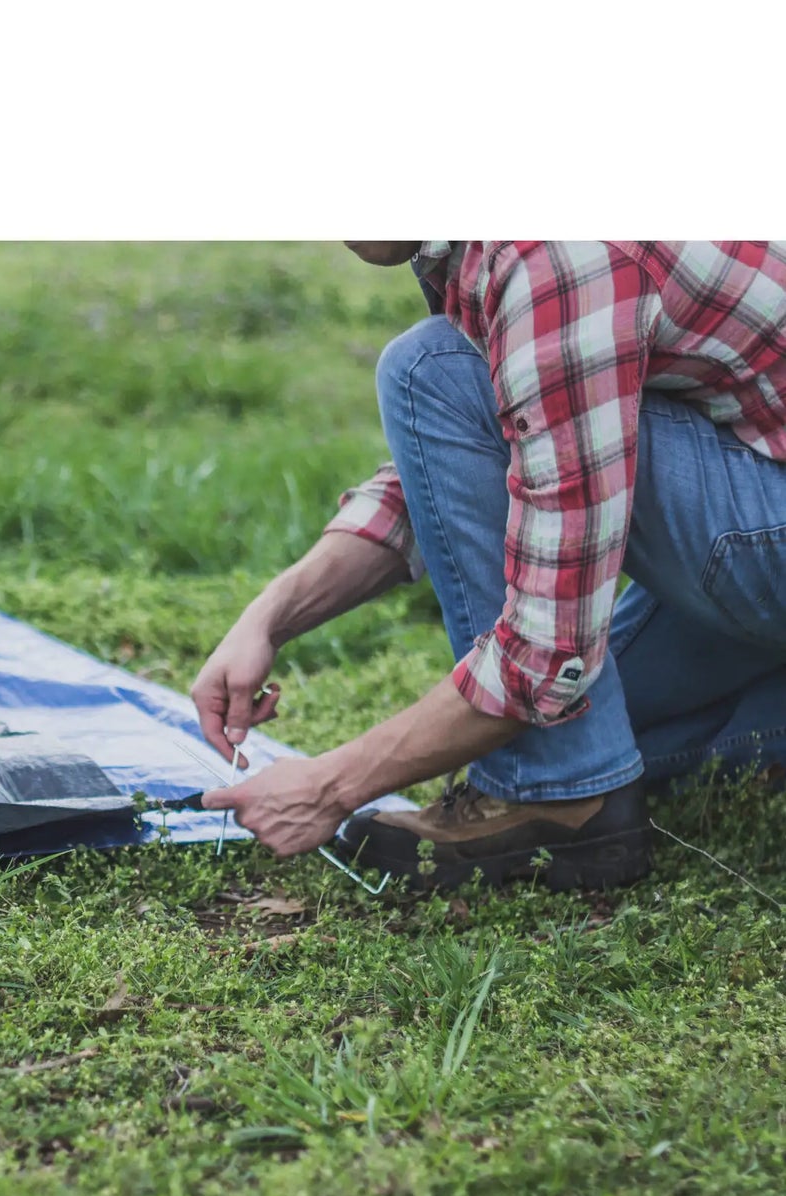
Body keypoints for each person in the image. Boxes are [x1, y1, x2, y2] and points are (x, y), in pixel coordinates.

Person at [192, 241, 786, 891]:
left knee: (426, 370)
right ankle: (572, 778)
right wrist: (269, 616)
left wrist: (332, 784)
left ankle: (549, 798)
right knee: (601, 738)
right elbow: (483, 453)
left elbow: (546, 653)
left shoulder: (550, 255)